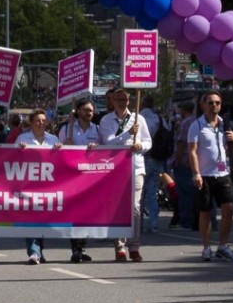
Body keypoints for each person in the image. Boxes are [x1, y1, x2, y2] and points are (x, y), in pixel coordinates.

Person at [99, 88, 151, 262]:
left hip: (135, 166)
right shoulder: (106, 120)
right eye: (118, 99)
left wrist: (141, 147)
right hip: (116, 168)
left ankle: (134, 246)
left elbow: (148, 141)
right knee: (118, 207)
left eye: (124, 99)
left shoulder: (139, 119)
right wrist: (128, 134)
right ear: (112, 101)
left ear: (129, 101)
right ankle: (119, 245)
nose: (122, 102)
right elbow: (108, 142)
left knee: (135, 208)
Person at [188, 91, 233, 262]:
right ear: (203, 105)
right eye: (210, 102)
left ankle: (223, 246)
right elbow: (192, 151)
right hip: (205, 175)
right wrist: (196, 173)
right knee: (206, 211)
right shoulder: (197, 125)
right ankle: (206, 247)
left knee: (229, 207)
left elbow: (228, 150)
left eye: (217, 102)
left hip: (222, 173)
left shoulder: (224, 124)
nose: (214, 105)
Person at [58, 97, 101, 262]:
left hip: (90, 178)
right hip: (71, 177)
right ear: (78, 112)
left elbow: (106, 150)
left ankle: (82, 247)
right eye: (85, 110)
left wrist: (98, 148)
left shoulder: (97, 130)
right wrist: (66, 146)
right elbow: (56, 150)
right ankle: (75, 248)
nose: (88, 113)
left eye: (91, 110)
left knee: (86, 213)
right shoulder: (67, 128)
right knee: (74, 213)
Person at [17, 109, 62, 264]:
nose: (41, 123)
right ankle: (34, 252)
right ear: (31, 122)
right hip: (29, 186)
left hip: (48, 186)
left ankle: (39, 250)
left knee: (42, 219)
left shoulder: (53, 138)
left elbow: (59, 161)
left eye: (43, 120)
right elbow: (12, 159)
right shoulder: (23, 138)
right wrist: (19, 151)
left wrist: (60, 150)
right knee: (31, 218)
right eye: (37, 120)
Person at [138, 95, 163, 233]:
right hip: (157, 159)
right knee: (152, 193)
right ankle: (153, 223)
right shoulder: (159, 119)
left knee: (140, 192)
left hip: (143, 158)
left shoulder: (138, 119)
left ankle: (138, 222)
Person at [171, 101, 197, 231]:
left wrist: (177, 160)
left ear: (183, 109)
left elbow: (181, 143)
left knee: (184, 194)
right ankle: (192, 220)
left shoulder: (185, 122)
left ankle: (185, 221)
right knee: (191, 192)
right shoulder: (196, 121)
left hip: (184, 161)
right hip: (193, 162)